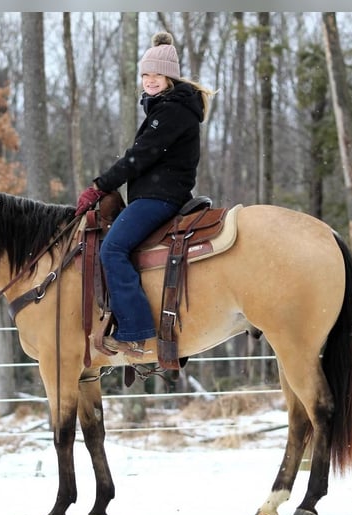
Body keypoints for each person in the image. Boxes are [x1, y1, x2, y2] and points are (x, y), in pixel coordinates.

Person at [75, 31, 215, 358]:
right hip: (156, 193)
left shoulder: (173, 111)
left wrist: (100, 186)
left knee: (112, 249)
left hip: (160, 197)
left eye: (156, 75)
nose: (150, 81)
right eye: (145, 75)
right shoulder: (166, 106)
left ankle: (136, 330)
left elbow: (138, 157)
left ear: (169, 77)